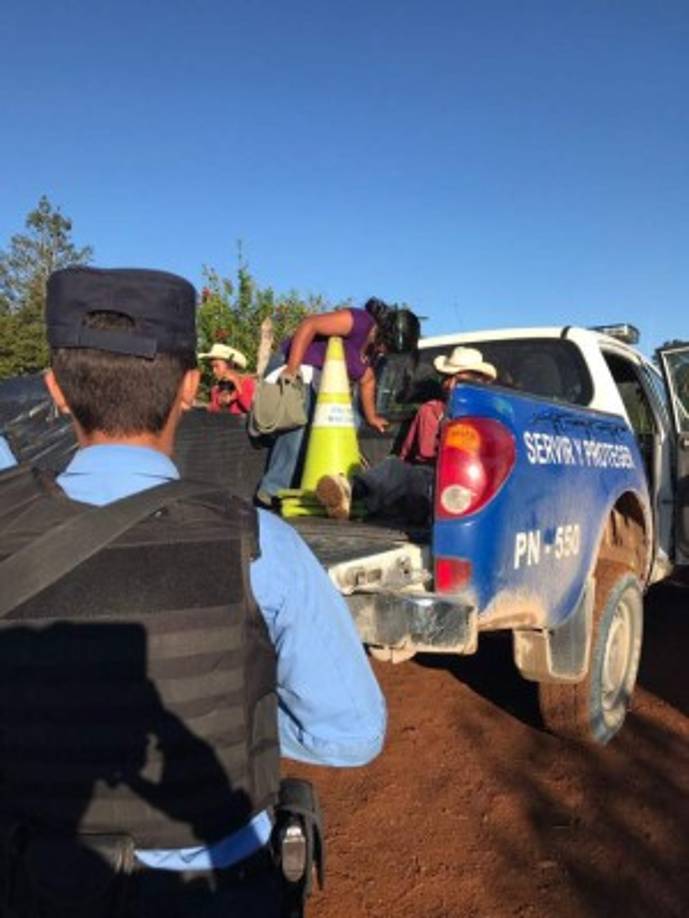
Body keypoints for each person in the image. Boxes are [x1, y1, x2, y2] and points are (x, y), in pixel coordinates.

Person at [0, 266, 386, 917]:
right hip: (214, 891)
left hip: (34, 884)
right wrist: (235, 713)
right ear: (188, 387)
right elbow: (351, 733)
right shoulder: (262, 545)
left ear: (56, 391)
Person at [256, 298, 420, 507]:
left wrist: (372, 417)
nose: (386, 352)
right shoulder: (359, 321)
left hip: (322, 381)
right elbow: (310, 324)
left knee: (353, 420)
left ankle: (327, 487)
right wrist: (292, 369)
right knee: (300, 416)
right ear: (384, 332)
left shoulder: (374, 353)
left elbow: (367, 380)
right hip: (294, 363)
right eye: (388, 346)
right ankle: (272, 489)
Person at [316, 346, 497, 523]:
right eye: (449, 378)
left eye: (460, 380)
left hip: (470, 485)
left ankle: (353, 495)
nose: (450, 385)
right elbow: (422, 453)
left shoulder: (493, 416)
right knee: (396, 469)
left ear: (478, 383)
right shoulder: (433, 410)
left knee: (400, 476)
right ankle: (348, 491)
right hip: (432, 479)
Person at [199, 342, 256, 416]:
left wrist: (237, 384)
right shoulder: (216, 389)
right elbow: (213, 412)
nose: (214, 371)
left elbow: (249, 407)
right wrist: (219, 402)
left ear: (230, 365)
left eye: (216, 366)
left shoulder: (246, 383)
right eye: (212, 367)